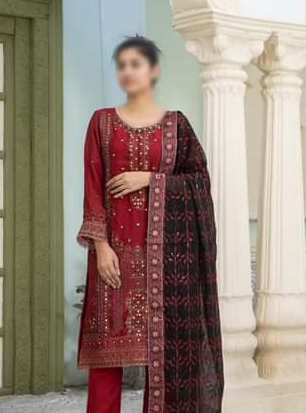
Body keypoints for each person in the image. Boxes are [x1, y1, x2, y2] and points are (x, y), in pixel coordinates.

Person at [76, 36, 223, 413]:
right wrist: (101, 246)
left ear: (153, 70)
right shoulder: (101, 121)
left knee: (166, 356)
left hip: (168, 261)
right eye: (121, 65)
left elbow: (199, 181)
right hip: (114, 254)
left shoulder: (176, 125)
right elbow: (93, 186)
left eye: (135, 64)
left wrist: (150, 179)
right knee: (105, 354)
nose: (127, 72)